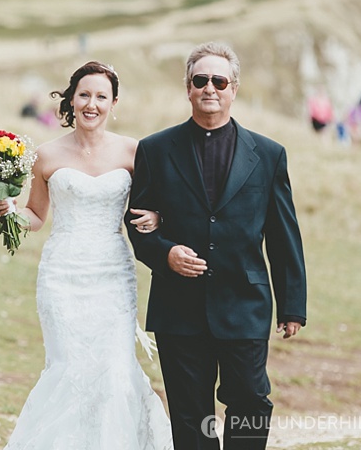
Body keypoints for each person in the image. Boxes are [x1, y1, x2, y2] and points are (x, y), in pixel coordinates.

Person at [127, 42, 307, 449]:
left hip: (245, 304)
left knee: (251, 402)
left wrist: (292, 304)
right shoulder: (155, 149)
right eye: (201, 80)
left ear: (234, 88)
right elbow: (137, 222)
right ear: (188, 88)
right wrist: (165, 253)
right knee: (190, 415)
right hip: (178, 308)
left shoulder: (268, 154)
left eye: (219, 81)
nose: (210, 88)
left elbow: (283, 233)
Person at [0, 61, 173, 449]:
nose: (92, 104)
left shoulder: (134, 151)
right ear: (72, 99)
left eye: (101, 97)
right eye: (85, 95)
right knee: (69, 369)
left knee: (114, 372)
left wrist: (158, 216)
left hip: (112, 273)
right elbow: (37, 214)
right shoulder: (46, 154)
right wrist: (11, 214)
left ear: (114, 103)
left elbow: (155, 203)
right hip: (62, 273)